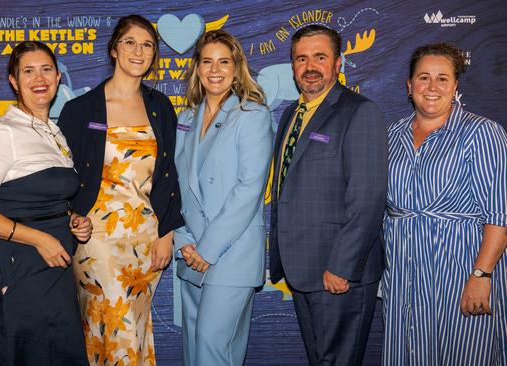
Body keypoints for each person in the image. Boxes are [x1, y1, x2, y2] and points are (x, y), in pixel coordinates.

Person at [58, 14, 184, 365]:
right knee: (116, 323)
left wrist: (166, 232)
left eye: (147, 45)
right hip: (95, 238)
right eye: (130, 42)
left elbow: (168, 174)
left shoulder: (161, 107)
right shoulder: (79, 110)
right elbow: (62, 177)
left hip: (146, 237)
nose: (138, 51)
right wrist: (70, 217)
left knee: (135, 330)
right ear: (114, 49)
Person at [0, 41, 89, 365]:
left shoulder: (54, 132)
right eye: (27, 71)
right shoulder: (2, 133)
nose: (38, 78)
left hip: (51, 263)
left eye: (46, 69)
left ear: (58, 77)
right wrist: (39, 238)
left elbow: (38, 195)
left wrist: (71, 219)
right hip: (16, 262)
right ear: (14, 81)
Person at [268, 24, 388, 365]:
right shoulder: (292, 114)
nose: (310, 66)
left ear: (338, 63)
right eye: (301, 58)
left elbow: (368, 199)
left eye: (320, 57)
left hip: (338, 273)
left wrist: (342, 267)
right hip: (302, 270)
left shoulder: (360, 112)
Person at [383, 42, 507, 365]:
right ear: (409, 87)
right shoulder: (391, 135)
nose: (432, 87)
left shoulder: (482, 133)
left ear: (455, 86)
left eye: (442, 79)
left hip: (460, 269)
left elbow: (500, 213)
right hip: (403, 273)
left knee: (464, 353)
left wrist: (482, 275)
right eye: (423, 78)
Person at [173, 29, 272, 366]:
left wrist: (207, 249)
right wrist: (183, 240)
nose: (215, 70)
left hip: (229, 255)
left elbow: (249, 189)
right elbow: (178, 187)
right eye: (207, 62)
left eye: (224, 62)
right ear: (197, 69)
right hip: (191, 251)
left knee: (214, 352)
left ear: (236, 67)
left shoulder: (252, 115)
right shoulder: (186, 118)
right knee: (194, 351)